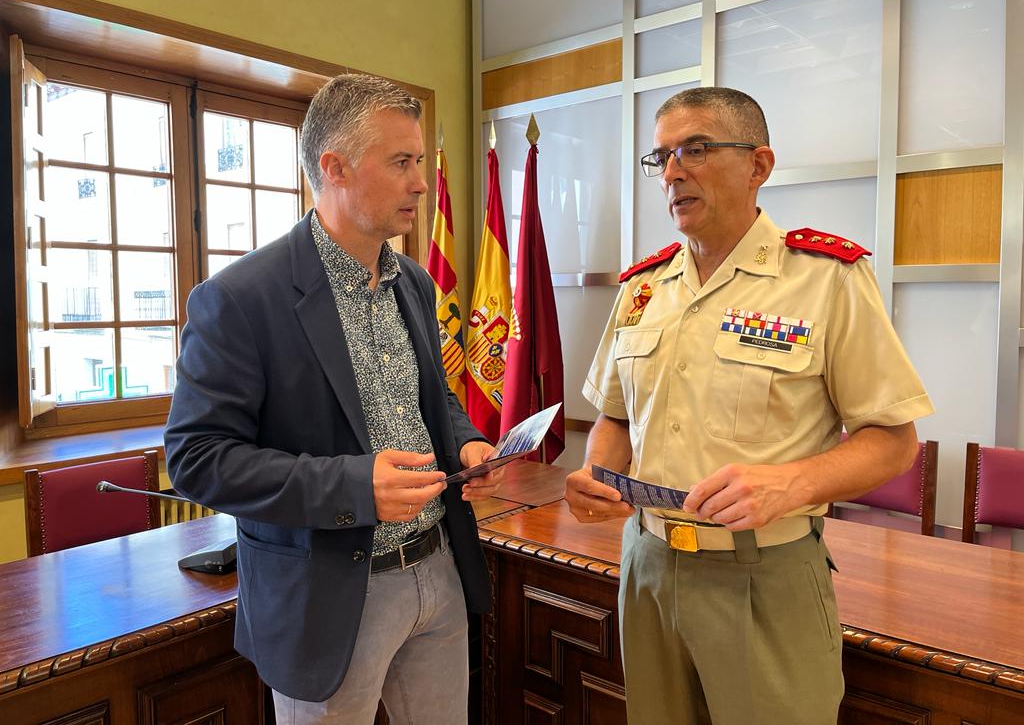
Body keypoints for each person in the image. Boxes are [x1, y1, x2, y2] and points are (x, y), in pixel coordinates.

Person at [564, 86, 933, 725]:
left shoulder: (825, 278)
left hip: (764, 574)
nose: (673, 172)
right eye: (662, 158)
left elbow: (895, 440)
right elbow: (616, 418)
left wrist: (792, 483)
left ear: (759, 165)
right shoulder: (643, 289)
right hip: (647, 567)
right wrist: (597, 475)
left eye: (696, 150)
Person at [165, 73, 503, 725]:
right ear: (335, 167)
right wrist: (353, 487)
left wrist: (465, 440)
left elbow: (430, 397)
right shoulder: (240, 299)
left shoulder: (416, 284)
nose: (420, 182)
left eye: (420, 162)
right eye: (401, 162)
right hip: (326, 594)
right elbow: (197, 458)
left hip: (437, 571)